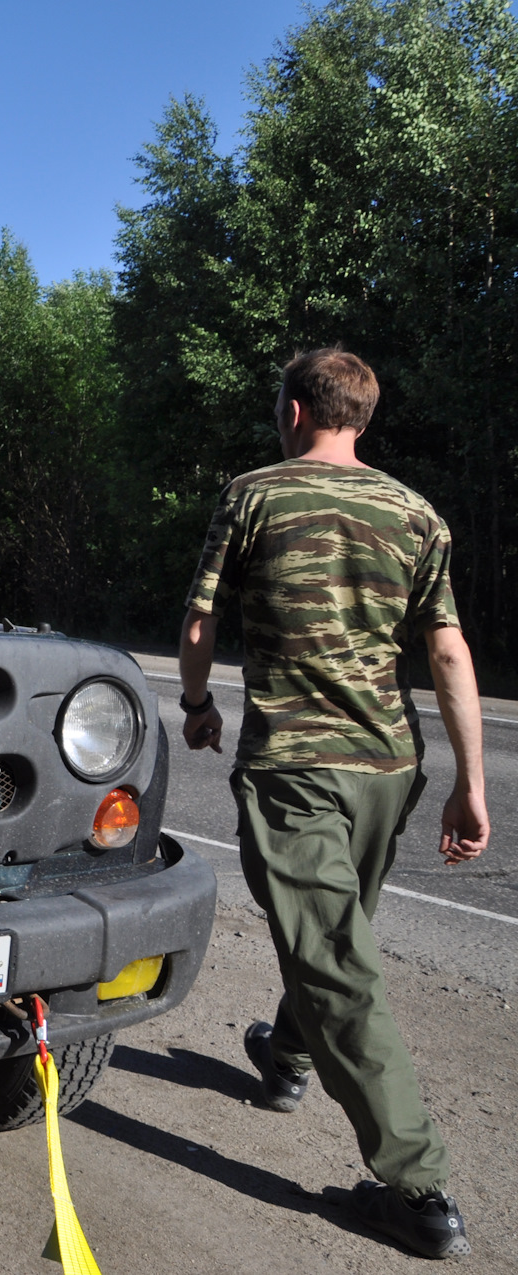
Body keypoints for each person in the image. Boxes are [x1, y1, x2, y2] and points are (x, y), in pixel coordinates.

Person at [179, 347, 490, 1262]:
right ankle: (285, 1057)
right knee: (334, 936)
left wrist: (198, 705)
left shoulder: (254, 494)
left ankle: (417, 1186)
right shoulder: (415, 512)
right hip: (390, 770)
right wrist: (470, 784)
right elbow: (447, 653)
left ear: (295, 412)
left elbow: (200, 620)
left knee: (336, 962)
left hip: (295, 765)